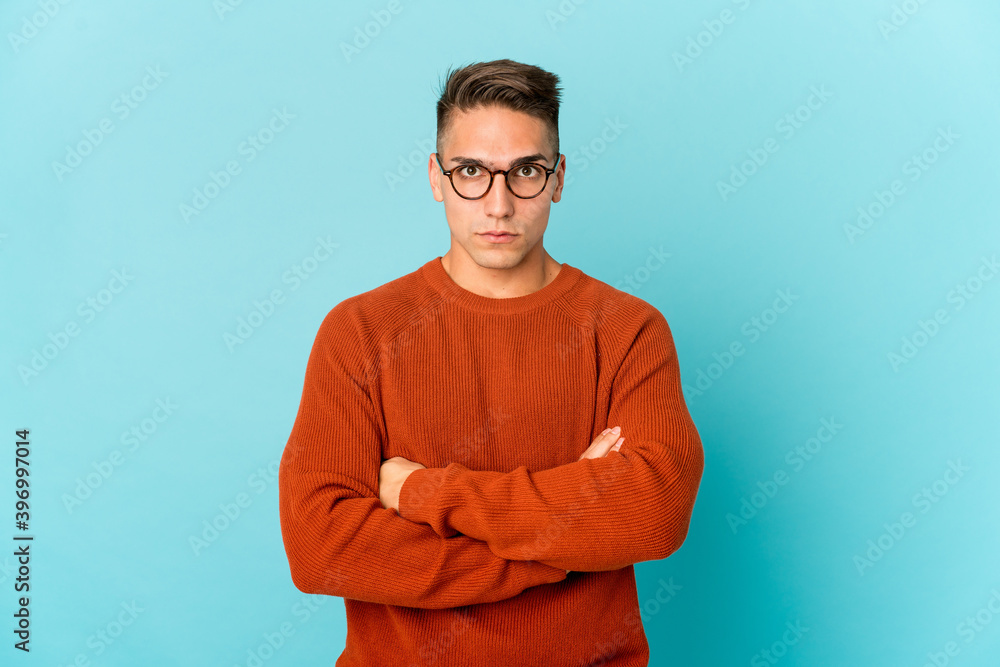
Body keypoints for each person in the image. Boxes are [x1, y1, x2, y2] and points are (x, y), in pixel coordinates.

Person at [278, 58, 704, 666]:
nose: (498, 205)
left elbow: (654, 513)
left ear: (558, 178)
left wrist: (422, 491)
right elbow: (322, 548)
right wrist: (558, 545)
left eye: (526, 171)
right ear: (436, 177)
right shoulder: (360, 332)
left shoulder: (628, 331)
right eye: (471, 172)